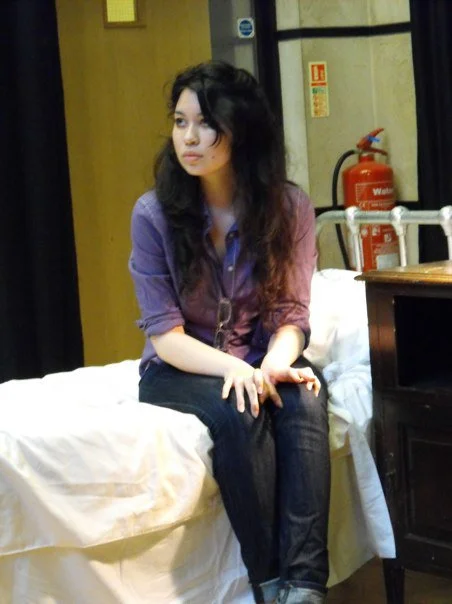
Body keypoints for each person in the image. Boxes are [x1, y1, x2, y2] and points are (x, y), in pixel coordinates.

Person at [129, 61, 330, 604]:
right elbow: (165, 335)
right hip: (180, 368)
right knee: (239, 407)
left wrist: (275, 363)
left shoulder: (288, 207)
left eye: (206, 124)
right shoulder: (153, 215)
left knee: (306, 401)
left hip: (263, 353)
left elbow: (291, 314)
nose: (188, 138)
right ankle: (268, 582)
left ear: (241, 131)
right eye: (180, 122)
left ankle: (305, 587)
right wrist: (237, 369)